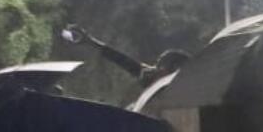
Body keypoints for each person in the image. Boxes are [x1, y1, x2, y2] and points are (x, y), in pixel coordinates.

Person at [62, 23, 191, 87]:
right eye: (156, 65)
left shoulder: (186, 90)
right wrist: (90, 41)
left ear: (173, 71)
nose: (152, 69)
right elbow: (121, 59)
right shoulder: (150, 79)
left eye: (159, 67)